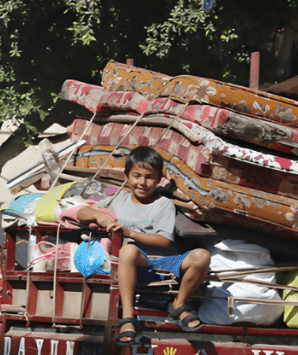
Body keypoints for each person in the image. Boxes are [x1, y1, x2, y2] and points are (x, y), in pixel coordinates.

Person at [75, 146, 211, 341]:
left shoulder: (163, 204)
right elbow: (81, 212)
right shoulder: (117, 198)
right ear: (126, 176)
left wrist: (129, 231)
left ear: (158, 180)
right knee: (128, 251)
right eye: (137, 176)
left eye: (149, 177)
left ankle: (179, 304)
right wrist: (99, 215)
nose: (143, 183)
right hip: (134, 264)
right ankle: (128, 318)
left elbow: (164, 240)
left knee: (202, 256)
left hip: (164, 263)